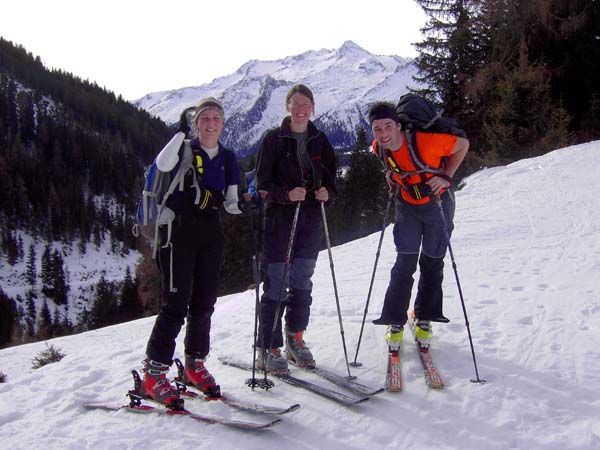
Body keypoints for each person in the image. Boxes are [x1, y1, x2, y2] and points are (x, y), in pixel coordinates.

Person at [140, 97, 242, 407]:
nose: (211, 123)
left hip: (210, 232)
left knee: (204, 302)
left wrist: (251, 202)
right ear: (196, 123)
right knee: (175, 304)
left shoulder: (228, 157)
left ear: (223, 124)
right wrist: (181, 134)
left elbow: (231, 203)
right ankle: (153, 374)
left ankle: (194, 365)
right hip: (178, 232)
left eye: (216, 118)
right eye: (205, 118)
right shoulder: (183, 148)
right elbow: (161, 165)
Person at [368, 101, 469, 350]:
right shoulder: (378, 148)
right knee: (405, 262)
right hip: (407, 204)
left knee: (433, 261)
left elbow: (463, 145)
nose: (383, 134)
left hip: (437, 203)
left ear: (398, 126)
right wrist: (392, 175)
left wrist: (446, 176)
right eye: (377, 129)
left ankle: (424, 317)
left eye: (388, 127)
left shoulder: (427, 141)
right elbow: (392, 164)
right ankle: (395, 319)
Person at [254, 84, 337, 373]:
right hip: (280, 221)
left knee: (302, 282)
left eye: (306, 103)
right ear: (288, 106)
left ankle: (295, 339)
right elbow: (261, 186)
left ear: (312, 107)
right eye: (296, 103)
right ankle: (269, 346)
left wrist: (328, 192)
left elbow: (331, 179)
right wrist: (286, 194)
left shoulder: (320, 140)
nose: (301, 108)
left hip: (310, 221)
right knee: (276, 282)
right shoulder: (273, 140)